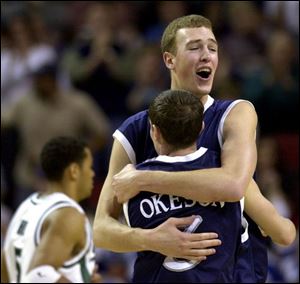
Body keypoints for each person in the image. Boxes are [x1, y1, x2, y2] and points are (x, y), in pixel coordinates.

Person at [93, 14, 264, 282]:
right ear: (169, 60)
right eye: (195, 47)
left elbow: (232, 185)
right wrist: (151, 239)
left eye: (213, 47)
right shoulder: (136, 129)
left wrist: (142, 178)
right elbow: (101, 230)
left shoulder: (234, 114)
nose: (206, 55)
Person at [125, 89, 296, 282]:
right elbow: (285, 235)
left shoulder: (132, 180)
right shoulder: (230, 175)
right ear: (202, 128)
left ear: (154, 132)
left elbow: (107, 234)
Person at [1, 136, 102, 283]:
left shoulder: (27, 206)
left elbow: (5, 266)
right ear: (74, 171)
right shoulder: (69, 214)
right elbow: (39, 275)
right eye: (89, 167)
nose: (93, 174)